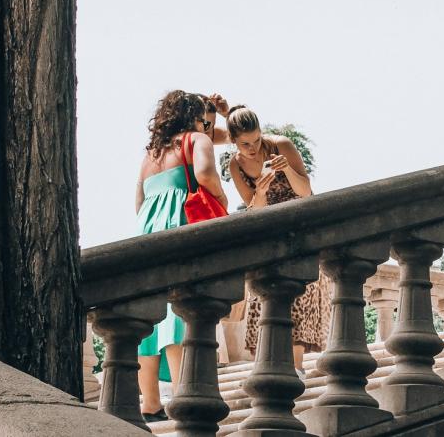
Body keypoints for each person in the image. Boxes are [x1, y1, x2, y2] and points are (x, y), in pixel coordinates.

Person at [135, 90, 228, 422]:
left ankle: (149, 402)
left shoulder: (151, 155)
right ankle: (180, 391)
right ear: (194, 117)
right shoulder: (196, 139)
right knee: (179, 310)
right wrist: (221, 199)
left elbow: (139, 200)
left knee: (149, 313)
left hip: (147, 231)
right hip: (180, 224)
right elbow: (204, 174)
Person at [226, 104, 329, 378]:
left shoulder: (281, 145)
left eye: (257, 140)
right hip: (269, 236)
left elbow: (307, 193)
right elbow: (253, 209)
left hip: (300, 229)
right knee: (265, 297)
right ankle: (274, 364)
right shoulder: (235, 164)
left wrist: (288, 171)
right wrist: (260, 189)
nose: (252, 148)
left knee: (299, 295)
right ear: (234, 141)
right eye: (245, 143)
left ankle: (296, 368)